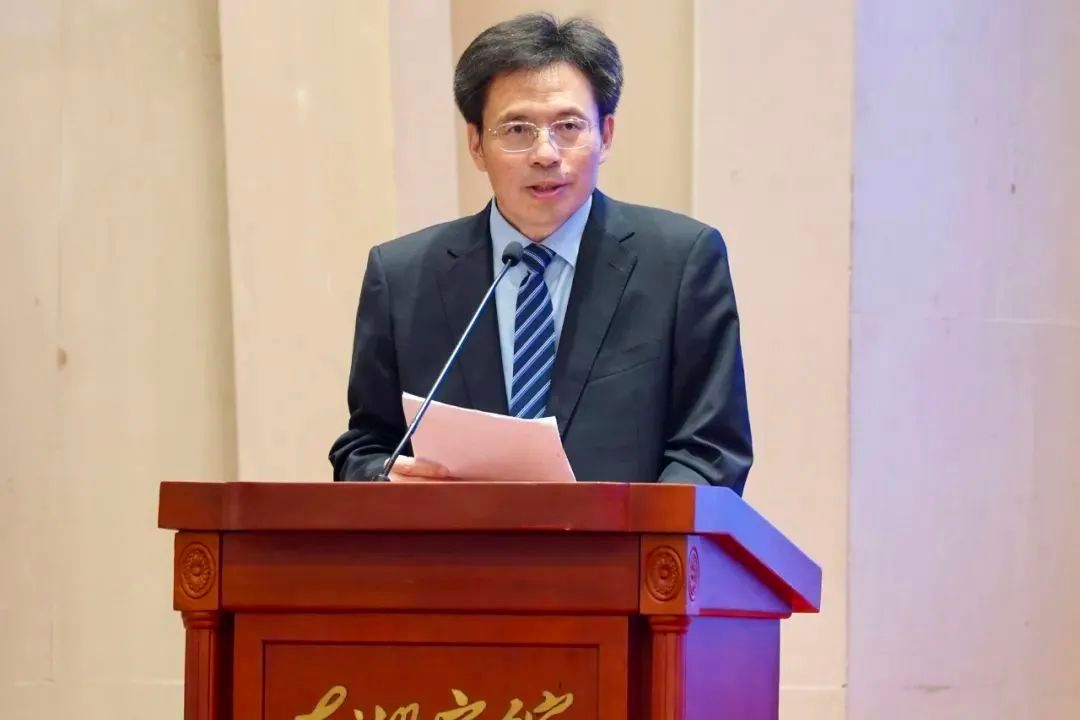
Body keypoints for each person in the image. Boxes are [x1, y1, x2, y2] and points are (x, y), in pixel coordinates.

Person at [329, 13, 752, 492]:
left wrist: (644, 530)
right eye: (517, 130)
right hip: (456, 542)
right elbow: (364, 446)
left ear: (606, 135)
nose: (545, 154)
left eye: (568, 126)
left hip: (626, 542)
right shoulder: (403, 277)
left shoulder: (680, 263)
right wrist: (385, 478)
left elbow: (710, 450)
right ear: (476, 143)